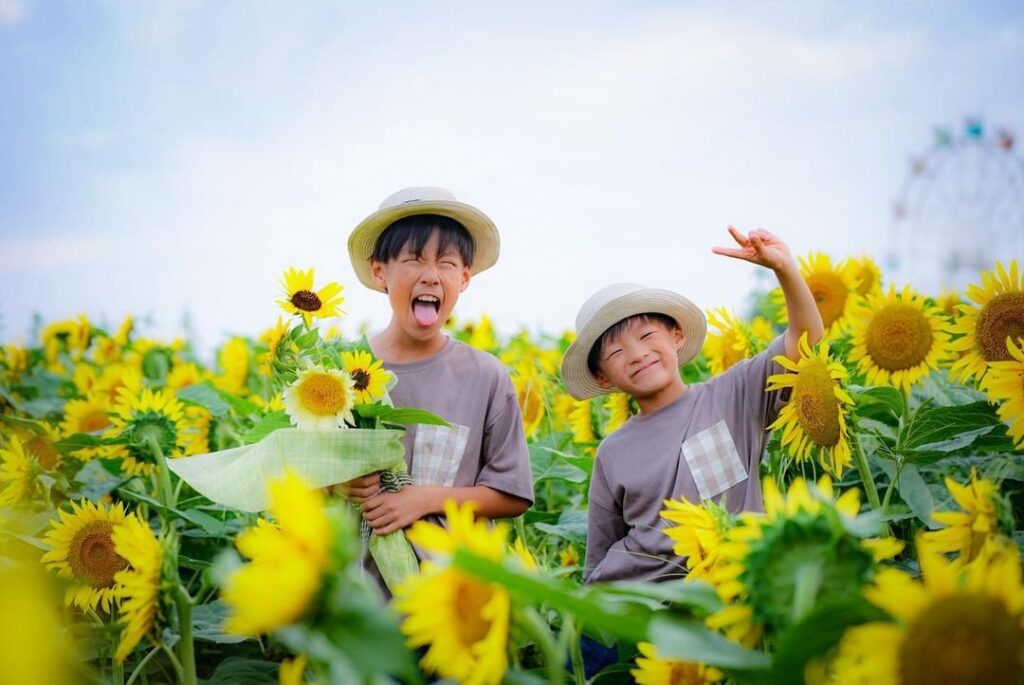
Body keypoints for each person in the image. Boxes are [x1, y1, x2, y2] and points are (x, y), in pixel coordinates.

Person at [560, 227, 824, 584]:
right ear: (602, 377)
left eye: (647, 336)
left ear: (677, 336)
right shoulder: (612, 452)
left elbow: (805, 341)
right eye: (617, 352)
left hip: (736, 587)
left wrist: (785, 269)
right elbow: (598, 558)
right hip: (643, 603)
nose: (637, 354)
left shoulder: (733, 395)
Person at [339, 187, 533, 570]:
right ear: (379, 271)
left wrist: (426, 499)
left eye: (446, 263)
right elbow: (298, 474)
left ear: (464, 278)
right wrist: (338, 483)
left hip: (450, 583)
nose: (431, 276)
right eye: (414, 259)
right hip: (355, 586)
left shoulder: (484, 376)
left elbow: (512, 495)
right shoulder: (338, 373)